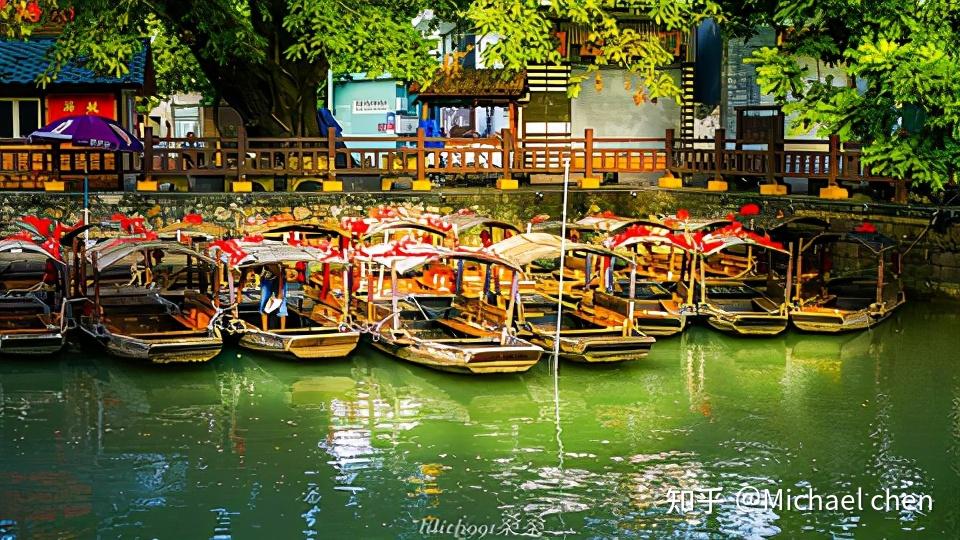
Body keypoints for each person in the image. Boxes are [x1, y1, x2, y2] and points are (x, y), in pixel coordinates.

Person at [259, 265, 287, 331]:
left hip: (278, 277)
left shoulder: (277, 267)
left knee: (282, 305)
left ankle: (283, 330)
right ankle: (265, 330)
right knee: (264, 303)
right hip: (267, 278)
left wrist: (280, 293)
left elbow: (280, 274)